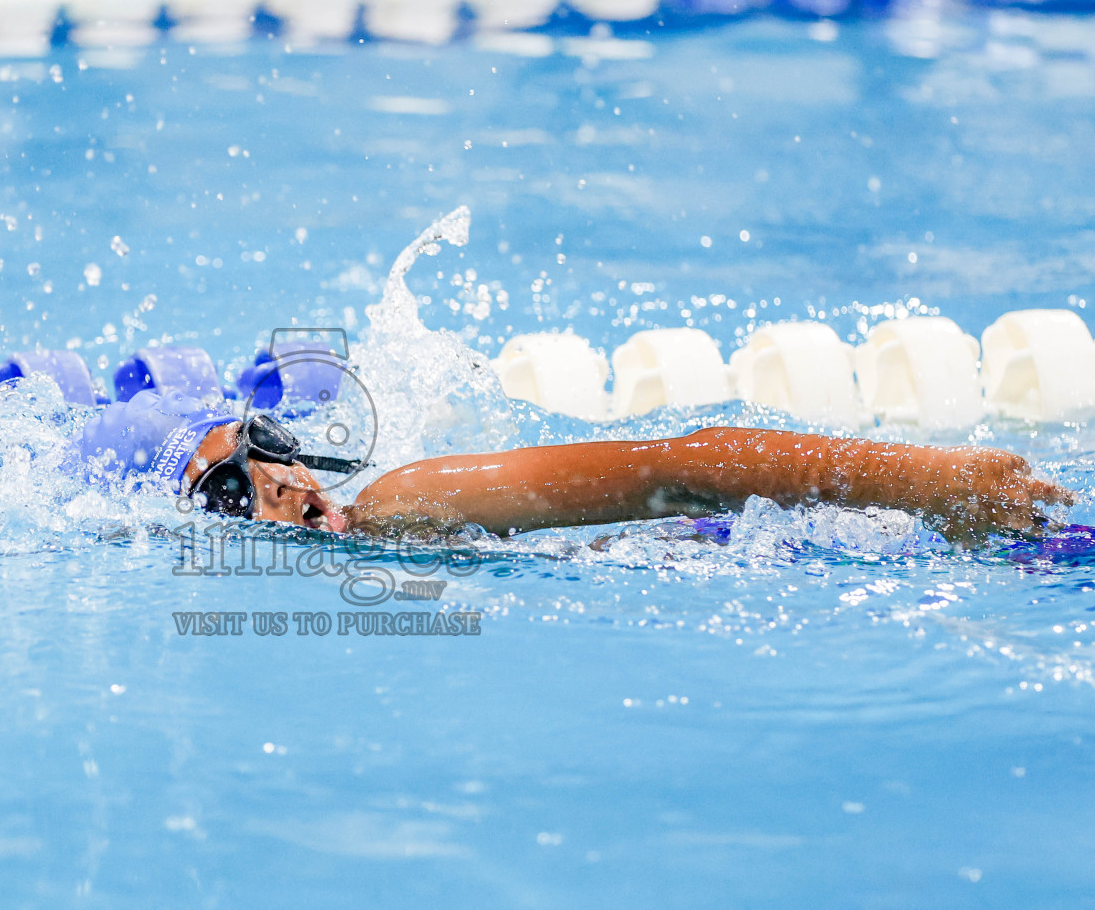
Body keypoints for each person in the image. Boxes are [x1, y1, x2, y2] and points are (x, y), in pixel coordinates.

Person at [65, 389, 1074, 543]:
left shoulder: (402, 505)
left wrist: (924, 480)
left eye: (268, 447)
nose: (279, 484)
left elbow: (678, 468)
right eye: (235, 490)